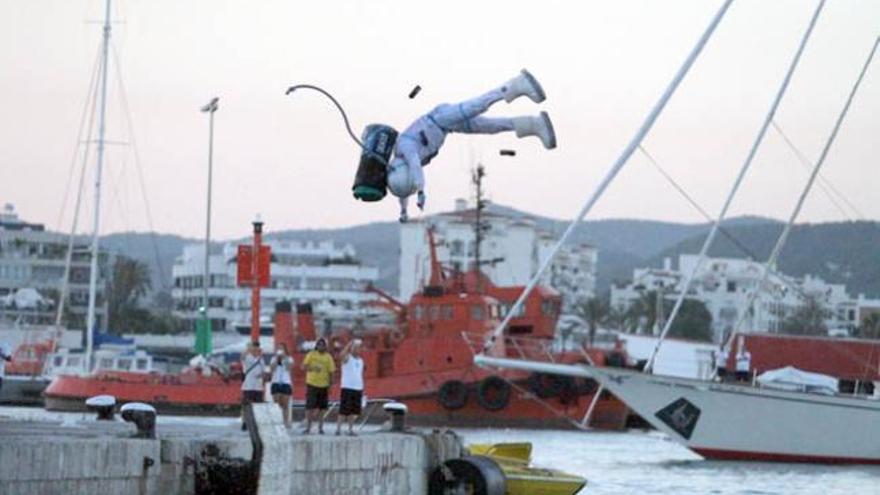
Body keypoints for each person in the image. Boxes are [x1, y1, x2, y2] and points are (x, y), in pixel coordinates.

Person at [387, 69, 557, 222]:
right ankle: (535, 124)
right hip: (447, 127)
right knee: (490, 127)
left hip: (441, 118)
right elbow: (404, 189)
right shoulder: (400, 169)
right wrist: (403, 211)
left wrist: (421, 190)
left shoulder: (406, 150)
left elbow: (415, 168)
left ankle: (517, 84)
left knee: (478, 105)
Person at [301, 337, 336, 434]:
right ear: (317, 346)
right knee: (310, 407)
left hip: (324, 385)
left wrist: (331, 385)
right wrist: (312, 367)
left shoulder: (328, 357)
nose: (321, 347)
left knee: (322, 408)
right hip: (312, 384)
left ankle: (320, 428)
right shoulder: (311, 354)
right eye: (319, 345)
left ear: (325, 347)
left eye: (323, 345)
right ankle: (308, 427)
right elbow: (303, 366)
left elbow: (332, 371)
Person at [336, 339, 365, 436]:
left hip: (357, 388)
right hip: (347, 387)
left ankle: (350, 429)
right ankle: (338, 429)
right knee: (344, 409)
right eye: (355, 348)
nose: (357, 350)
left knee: (353, 411)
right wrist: (349, 345)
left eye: (359, 348)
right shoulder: (348, 358)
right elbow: (341, 356)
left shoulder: (361, 361)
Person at [240, 341, 265, 430]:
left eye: (257, 349)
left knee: (258, 406)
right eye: (254, 349)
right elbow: (242, 357)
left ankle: (256, 423)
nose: (256, 351)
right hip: (248, 385)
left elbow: (263, 371)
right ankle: (245, 422)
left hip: (258, 386)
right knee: (246, 405)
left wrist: (262, 375)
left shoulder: (261, 359)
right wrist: (248, 349)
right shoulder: (247, 357)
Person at [269, 343, 294, 429]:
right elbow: (272, 369)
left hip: (286, 382)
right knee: (276, 404)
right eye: (278, 348)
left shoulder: (289, 358)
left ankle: (285, 421)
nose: (280, 350)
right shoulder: (273, 359)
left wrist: (284, 358)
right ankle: (276, 421)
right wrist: (277, 358)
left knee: (285, 404)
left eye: (282, 348)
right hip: (275, 381)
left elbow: (289, 368)